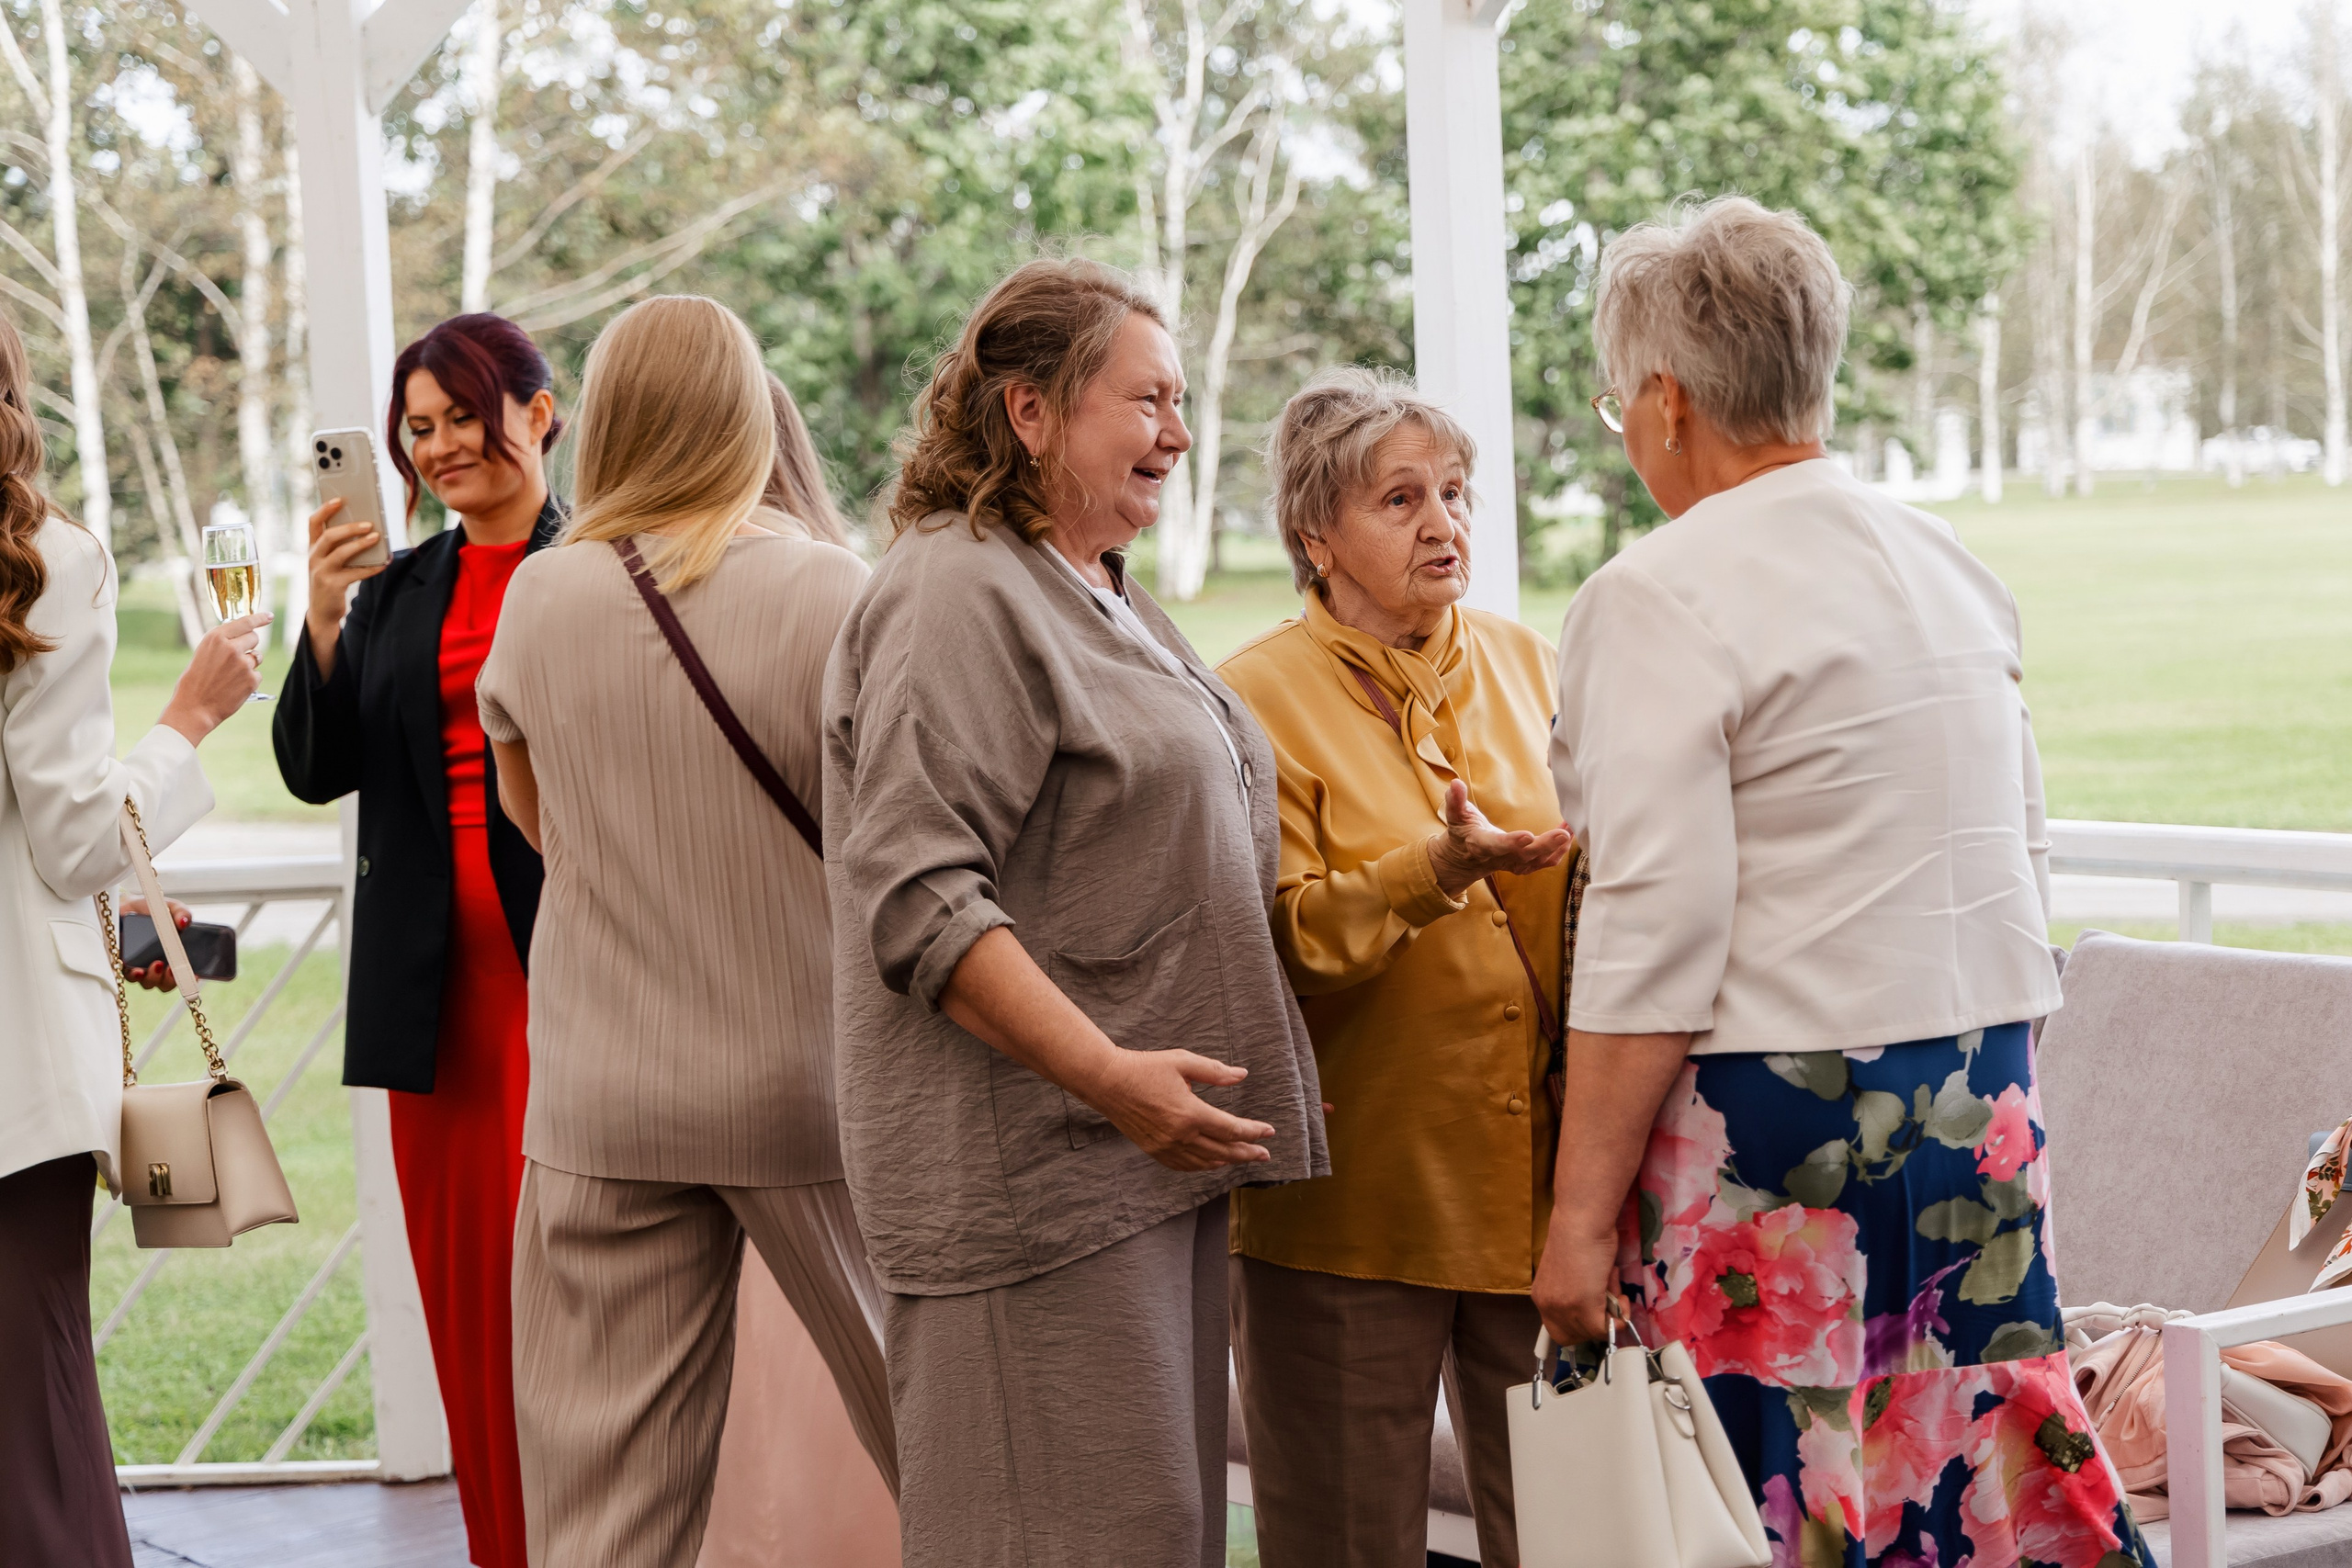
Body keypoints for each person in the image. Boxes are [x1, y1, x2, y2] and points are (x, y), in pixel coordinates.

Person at [1536, 197, 2154, 1568]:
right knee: (1965, 1476)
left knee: (1768, 1490)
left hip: (1777, 1126)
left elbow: (1659, 920)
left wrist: (1576, 1223)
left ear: (1664, 401)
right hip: (1978, 1090)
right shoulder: (1951, 565)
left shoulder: (1653, 594)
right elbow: (2022, 852)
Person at [823, 256, 1328, 1568]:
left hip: (1135, 1165)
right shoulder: (956, 590)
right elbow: (919, 895)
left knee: (1150, 1531)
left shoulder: (1090, 575)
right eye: (1145, 399)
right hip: (1034, 1187)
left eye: (1181, 401)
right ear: (1029, 411)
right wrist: (1112, 1078)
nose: (1176, 430)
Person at [476, 294, 897, 1566]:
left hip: (604, 1098)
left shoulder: (542, 597)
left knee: (605, 1512)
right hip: (804, 1088)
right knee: (943, 1432)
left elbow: (539, 826)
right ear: (747, 405)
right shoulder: (833, 590)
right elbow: (888, 850)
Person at [1215, 367, 1573, 1568]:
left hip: (1544, 1203)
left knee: (1575, 1536)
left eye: (1457, 492)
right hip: (1351, 1209)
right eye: (1401, 499)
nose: (1444, 523)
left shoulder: (1531, 664)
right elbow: (1273, 940)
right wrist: (1436, 868)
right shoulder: (1248, 699)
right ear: (1318, 535)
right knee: (1341, 1543)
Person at [273, 311, 562, 1568]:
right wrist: (326, 618)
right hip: (429, 987)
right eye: (419, 429)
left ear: (540, 412)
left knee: (567, 1289)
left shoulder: (604, 567)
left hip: (569, 970)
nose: (441, 447)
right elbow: (312, 767)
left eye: (463, 416)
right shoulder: (396, 592)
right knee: (468, 1295)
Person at [0, 307, 266, 1563]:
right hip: (14, 1079)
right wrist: (188, 720)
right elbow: (69, 839)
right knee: (36, 1428)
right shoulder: (41, 557)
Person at [699, 367, 897, 1568]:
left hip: (694, 1045)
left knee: (740, 1364)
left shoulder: (602, 604)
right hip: (832, 1033)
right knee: (849, 1343)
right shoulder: (846, 596)